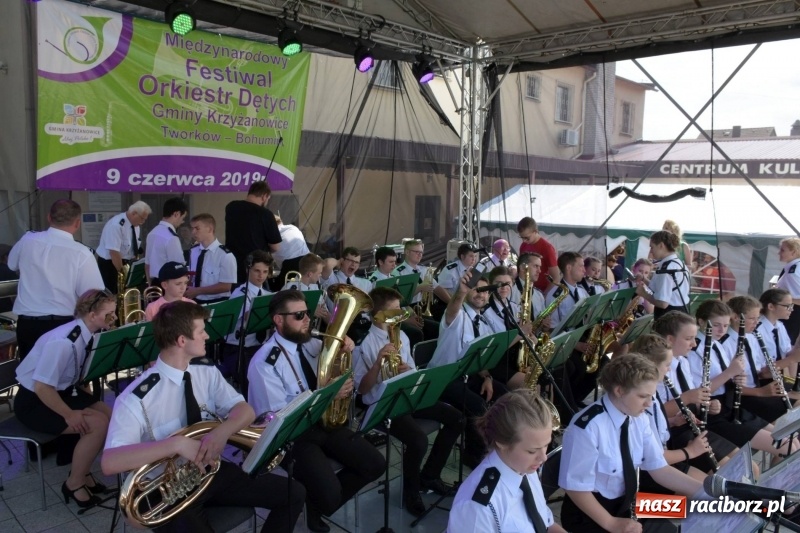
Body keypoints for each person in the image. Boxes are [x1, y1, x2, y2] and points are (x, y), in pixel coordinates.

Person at [102, 301, 304, 533]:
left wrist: (221, 433)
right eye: (201, 331)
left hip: (209, 472)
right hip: (168, 490)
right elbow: (110, 462)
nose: (207, 336)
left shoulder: (205, 371)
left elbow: (244, 411)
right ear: (181, 341)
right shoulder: (135, 398)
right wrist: (175, 444)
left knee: (294, 493)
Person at [247, 290, 384, 532]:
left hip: (324, 423)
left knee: (375, 464)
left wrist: (346, 348)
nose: (308, 319)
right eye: (299, 315)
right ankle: (321, 500)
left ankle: (317, 503)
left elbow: (336, 363)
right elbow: (276, 417)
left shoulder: (311, 341)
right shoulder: (264, 362)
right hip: (294, 436)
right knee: (330, 494)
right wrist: (329, 393)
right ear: (279, 320)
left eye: (307, 313)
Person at [558, 353, 703, 533]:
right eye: (643, 396)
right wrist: (611, 523)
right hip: (593, 515)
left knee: (699, 513)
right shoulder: (587, 428)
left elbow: (659, 469)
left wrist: (708, 494)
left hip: (630, 503)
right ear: (619, 391)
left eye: (651, 396)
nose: (649, 404)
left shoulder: (637, 416)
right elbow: (574, 487)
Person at [353, 287, 463, 516]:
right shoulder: (364, 343)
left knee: (457, 419)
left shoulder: (401, 334)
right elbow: (361, 390)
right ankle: (410, 491)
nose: (400, 314)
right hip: (384, 404)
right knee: (419, 441)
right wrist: (376, 365)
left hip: (408, 394)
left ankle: (430, 475)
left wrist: (407, 369)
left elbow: (412, 370)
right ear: (378, 314)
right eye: (394, 310)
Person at [15, 289, 115, 507]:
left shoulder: (86, 333)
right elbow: (42, 387)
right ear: (91, 315)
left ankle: (84, 472)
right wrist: (69, 414)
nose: (113, 318)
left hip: (61, 392)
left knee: (109, 415)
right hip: (34, 401)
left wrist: (86, 399)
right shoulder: (63, 341)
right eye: (109, 314)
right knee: (96, 425)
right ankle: (74, 483)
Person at [656, 308, 794, 463]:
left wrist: (708, 402)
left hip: (711, 413)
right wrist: (728, 375)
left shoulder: (683, 361)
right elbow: (658, 410)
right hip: (681, 430)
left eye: (725, 325)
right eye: (689, 338)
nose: (693, 343)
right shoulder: (665, 367)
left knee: (790, 445)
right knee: (751, 463)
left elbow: (696, 396)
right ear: (670, 339)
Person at [448, 389, 567, 533]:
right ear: (502, 443)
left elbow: (546, 524)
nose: (543, 458)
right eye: (532, 451)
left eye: (546, 445)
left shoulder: (524, 467)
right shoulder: (478, 507)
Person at [428, 269, 508, 468]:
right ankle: (474, 456)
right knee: (479, 407)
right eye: (476, 290)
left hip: (468, 374)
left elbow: (479, 357)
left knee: (504, 396)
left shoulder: (486, 321)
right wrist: (461, 292)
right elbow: (453, 308)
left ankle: (497, 449)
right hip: (443, 378)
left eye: (484, 291)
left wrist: (487, 377)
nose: (481, 294)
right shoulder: (458, 316)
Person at [8, 199, 104, 358]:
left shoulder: (27, 240)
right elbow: (92, 295)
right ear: (78, 223)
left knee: (30, 379)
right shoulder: (82, 253)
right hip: (63, 325)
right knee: (60, 380)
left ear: (48, 218)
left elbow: (11, 265)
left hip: (28, 325)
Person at [632, 333, 732, 480]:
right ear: (651, 366)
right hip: (648, 472)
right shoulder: (643, 400)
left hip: (664, 458)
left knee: (722, 481)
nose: (669, 370)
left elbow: (655, 424)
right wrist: (689, 451)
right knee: (709, 493)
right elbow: (652, 457)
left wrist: (672, 421)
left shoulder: (651, 394)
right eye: (667, 365)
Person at [724, 295, 798, 421]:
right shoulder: (725, 344)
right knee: (793, 411)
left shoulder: (751, 337)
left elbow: (758, 372)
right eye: (752, 318)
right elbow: (727, 386)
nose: (757, 322)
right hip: (742, 396)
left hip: (758, 389)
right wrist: (762, 392)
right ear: (736, 317)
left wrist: (769, 373)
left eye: (758, 318)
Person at [220, 250, 274, 382]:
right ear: (247, 269)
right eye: (257, 271)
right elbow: (248, 317)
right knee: (253, 381)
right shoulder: (240, 293)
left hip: (258, 347)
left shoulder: (267, 294)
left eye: (265, 272)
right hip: (239, 350)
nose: (261, 275)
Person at [482, 266, 534, 390]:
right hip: (497, 362)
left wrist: (532, 338)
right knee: (530, 384)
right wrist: (521, 333)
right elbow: (495, 347)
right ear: (490, 284)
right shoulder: (485, 312)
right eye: (498, 284)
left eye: (507, 283)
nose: (504, 287)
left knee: (547, 378)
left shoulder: (515, 308)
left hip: (515, 358)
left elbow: (527, 335)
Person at [225, 182, 282, 285]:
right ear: (264, 196)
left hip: (232, 264)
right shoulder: (266, 214)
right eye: (268, 198)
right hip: (255, 266)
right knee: (258, 297)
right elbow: (276, 247)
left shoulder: (231, 207)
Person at [95, 201, 152, 292]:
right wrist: (122, 274)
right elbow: (114, 253)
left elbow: (133, 246)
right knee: (113, 293)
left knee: (130, 291)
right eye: (142, 219)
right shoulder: (116, 225)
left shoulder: (135, 225)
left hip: (126, 262)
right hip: (111, 264)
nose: (143, 222)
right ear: (134, 213)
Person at [636, 230, 690, 320]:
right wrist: (644, 279)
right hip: (681, 313)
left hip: (668, 317)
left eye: (652, 247)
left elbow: (663, 303)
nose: (651, 251)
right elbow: (667, 289)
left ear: (661, 245)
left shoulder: (667, 268)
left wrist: (644, 294)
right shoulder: (680, 263)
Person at [184, 214, 237, 304]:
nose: (193, 232)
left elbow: (226, 286)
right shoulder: (193, 251)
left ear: (209, 229)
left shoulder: (225, 255)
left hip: (216, 302)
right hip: (194, 301)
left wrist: (198, 291)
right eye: (192, 228)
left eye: (197, 228)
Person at [757, 288, 800, 386]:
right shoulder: (757, 330)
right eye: (788, 306)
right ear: (771, 306)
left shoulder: (779, 326)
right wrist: (792, 359)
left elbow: (788, 353)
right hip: (761, 383)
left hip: (776, 380)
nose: (792, 309)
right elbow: (762, 373)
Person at [144, 197, 188, 286]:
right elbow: (178, 267)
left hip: (154, 282)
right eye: (182, 218)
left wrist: (150, 285)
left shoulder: (152, 233)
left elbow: (147, 265)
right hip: (169, 284)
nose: (182, 222)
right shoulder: (171, 237)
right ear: (176, 214)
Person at [279, 253, 330, 327]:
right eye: (319, 273)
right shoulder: (289, 287)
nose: (320, 275)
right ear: (310, 274)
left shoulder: (314, 287)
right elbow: (284, 314)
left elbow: (324, 312)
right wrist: (310, 310)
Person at [544, 251, 588, 331]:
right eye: (581, 266)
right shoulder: (554, 295)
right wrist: (576, 343)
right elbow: (552, 329)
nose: (584, 270)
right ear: (569, 268)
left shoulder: (583, 291)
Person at [517, 217, 559, 291]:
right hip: (525, 289)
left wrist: (545, 295)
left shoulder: (547, 248)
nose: (524, 241)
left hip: (542, 290)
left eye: (527, 238)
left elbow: (556, 278)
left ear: (535, 231)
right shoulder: (523, 245)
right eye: (522, 238)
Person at [272, 215, 310, 287]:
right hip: (309, 260)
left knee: (284, 293)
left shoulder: (273, 234)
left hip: (290, 265)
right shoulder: (292, 227)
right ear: (281, 222)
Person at [775, 237, 800, 343]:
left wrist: (778, 297)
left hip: (792, 316)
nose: (779, 252)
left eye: (782, 250)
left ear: (793, 252)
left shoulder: (793, 273)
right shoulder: (793, 268)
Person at [511, 253, 547, 319]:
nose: (540, 271)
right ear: (522, 267)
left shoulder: (539, 295)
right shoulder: (509, 291)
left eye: (540, 267)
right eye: (536, 266)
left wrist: (544, 325)